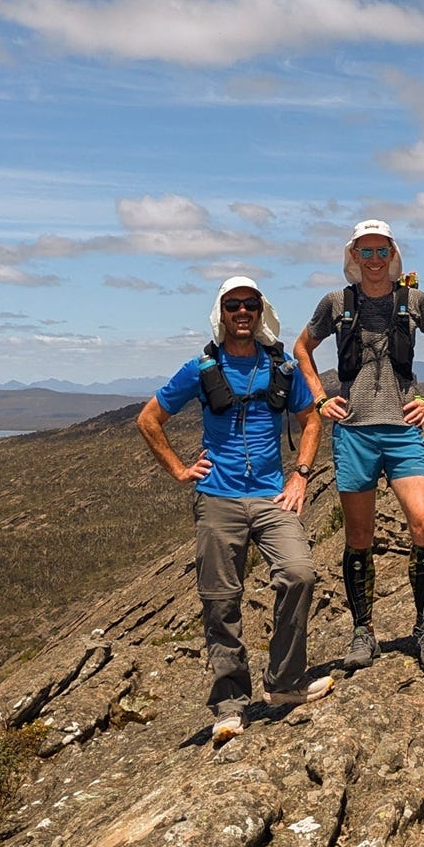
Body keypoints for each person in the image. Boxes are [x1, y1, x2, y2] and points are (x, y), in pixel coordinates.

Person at [137, 276, 330, 746]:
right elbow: (148, 419)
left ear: (261, 312)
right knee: (221, 601)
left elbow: (310, 418)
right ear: (220, 313)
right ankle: (230, 704)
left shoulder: (280, 368)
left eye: (249, 304)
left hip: (270, 496)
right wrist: (181, 470)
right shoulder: (202, 369)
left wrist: (300, 474)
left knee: (299, 573)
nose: (241, 312)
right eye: (232, 305)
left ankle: (284, 683)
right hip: (218, 497)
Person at [293, 220, 424, 674]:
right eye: (364, 253)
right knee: (359, 538)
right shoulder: (336, 303)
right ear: (353, 256)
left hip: (402, 428)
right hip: (353, 430)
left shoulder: (413, 302)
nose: (373, 261)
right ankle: (362, 631)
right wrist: (320, 396)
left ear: (393, 254)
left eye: (380, 252)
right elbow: (302, 347)